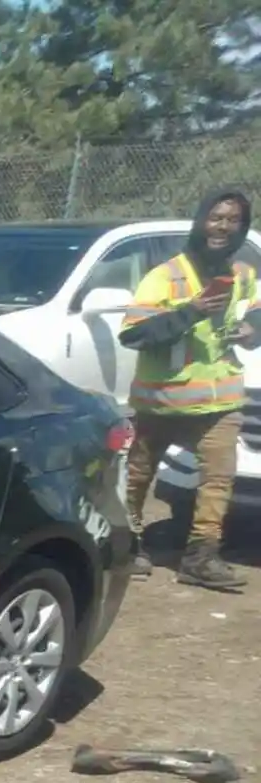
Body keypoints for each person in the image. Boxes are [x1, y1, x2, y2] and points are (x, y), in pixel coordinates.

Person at [119, 187, 258, 592]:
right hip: (162, 400)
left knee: (218, 479)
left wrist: (253, 331)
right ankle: (126, 544)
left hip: (220, 401)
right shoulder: (165, 277)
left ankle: (201, 557)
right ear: (201, 221)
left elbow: (257, 313)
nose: (224, 228)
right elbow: (134, 334)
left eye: (234, 221)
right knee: (138, 476)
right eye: (216, 218)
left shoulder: (243, 276)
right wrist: (190, 312)